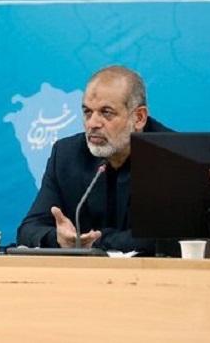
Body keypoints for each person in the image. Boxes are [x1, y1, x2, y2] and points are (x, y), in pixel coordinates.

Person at [16, 65, 180, 256]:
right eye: (87, 112)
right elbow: (29, 229)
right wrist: (59, 239)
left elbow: (168, 238)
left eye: (106, 112)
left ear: (139, 118)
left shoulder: (173, 156)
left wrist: (96, 241)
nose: (92, 123)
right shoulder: (67, 155)